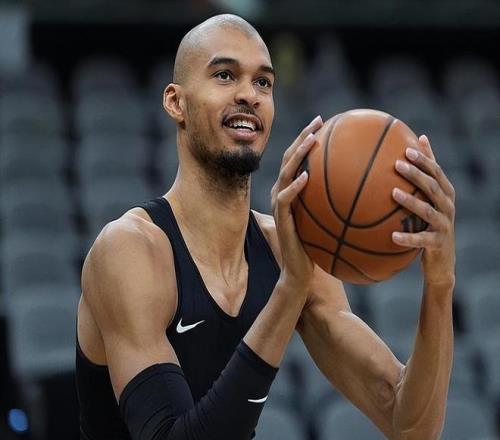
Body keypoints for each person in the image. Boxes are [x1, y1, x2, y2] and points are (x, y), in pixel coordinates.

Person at [76, 14, 456, 440]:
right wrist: (289, 290)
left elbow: (410, 426)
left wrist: (440, 284)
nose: (249, 95)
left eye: (263, 82)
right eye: (225, 75)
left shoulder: (284, 250)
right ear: (176, 102)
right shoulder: (130, 251)